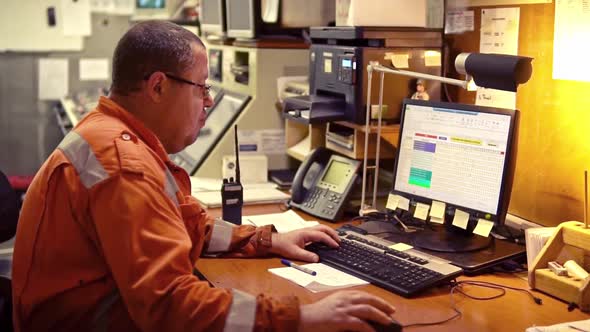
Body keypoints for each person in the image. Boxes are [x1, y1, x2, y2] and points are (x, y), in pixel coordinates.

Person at [12, 21, 395, 332]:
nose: (209, 101)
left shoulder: (113, 134)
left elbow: (181, 222)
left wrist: (268, 240)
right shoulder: (123, 164)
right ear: (158, 86)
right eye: (201, 88)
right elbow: (171, 306)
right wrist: (302, 316)